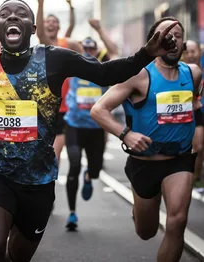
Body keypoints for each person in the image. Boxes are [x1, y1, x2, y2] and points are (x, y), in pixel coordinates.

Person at [0, 0, 176, 262]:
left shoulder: (55, 59)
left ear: (33, 27)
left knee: (17, 256)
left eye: (21, 14)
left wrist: (146, 53)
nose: (13, 17)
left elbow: (106, 74)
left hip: (37, 182)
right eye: (5, 14)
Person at [91, 17, 201, 262]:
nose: (172, 39)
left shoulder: (193, 73)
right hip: (144, 163)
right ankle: (140, 212)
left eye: (178, 34)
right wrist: (126, 134)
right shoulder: (139, 76)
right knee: (146, 232)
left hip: (179, 160)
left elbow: (193, 103)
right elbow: (98, 110)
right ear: (154, 41)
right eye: (164, 35)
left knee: (177, 221)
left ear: (184, 42)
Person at [63, 40, 109, 230]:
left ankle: (89, 175)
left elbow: (114, 52)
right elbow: (62, 44)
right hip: (74, 126)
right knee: (73, 164)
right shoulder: (73, 68)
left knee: (96, 169)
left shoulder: (104, 71)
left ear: (97, 51)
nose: (89, 52)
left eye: (92, 48)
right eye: (86, 49)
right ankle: (72, 213)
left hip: (96, 128)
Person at [33, 0, 81, 167]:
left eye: (54, 22)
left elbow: (72, 27)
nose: (51, 24)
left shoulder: (65, 44)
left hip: (65, 106)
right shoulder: (43, 44)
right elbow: (40, 33)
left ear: (59, 27)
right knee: (42, 150)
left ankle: (50, 178)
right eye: (47, 22)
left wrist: (71, 8)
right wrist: (40, 2)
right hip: (45, 105)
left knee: (57, 153)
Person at [182, 39, 204, 188]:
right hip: (194, 113)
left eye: (193, 51)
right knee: (198, 147)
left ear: (199, 52)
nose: (190, 55)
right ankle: (194, 178)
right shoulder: (181, 71)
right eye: (186, 52)